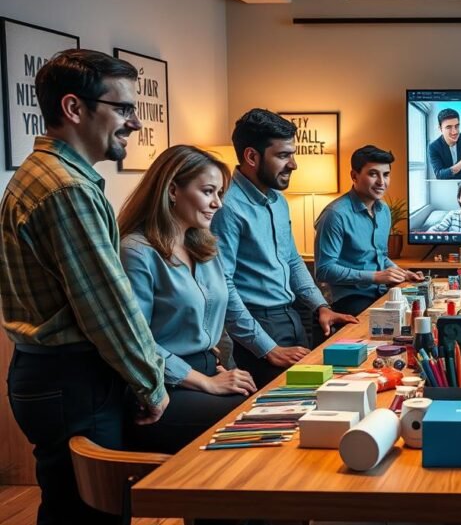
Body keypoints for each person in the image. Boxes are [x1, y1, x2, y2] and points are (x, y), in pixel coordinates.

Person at [1, 49, 168, 524]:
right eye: (123, 109)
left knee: (66, 509)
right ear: (75, 109)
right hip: (71, 378)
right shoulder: (66, 188)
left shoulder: (42, 174)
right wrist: (151, 383)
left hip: (47, 374)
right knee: (92, 514)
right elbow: (107, 306)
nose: (134, 123)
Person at [118, 145, 257, 454]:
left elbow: (226, 310)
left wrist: (217, 369)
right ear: (171, 190)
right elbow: (135, 342)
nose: (217, 203)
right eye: (208, 191)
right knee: (245, 420)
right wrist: (205, 382)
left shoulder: (204, 246)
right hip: (161, 386)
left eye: (219, 193)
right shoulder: (136, 251)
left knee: (263, 408)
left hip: (208, 368)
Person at [212, 109, 357, 388]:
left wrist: (321, 306)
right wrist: (267, 347)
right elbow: (223, 286)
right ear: (252, 157)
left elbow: (292, 261)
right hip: (256, 330)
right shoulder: (226, 207)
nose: (294, 164)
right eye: (283, 156)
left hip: (291, 318)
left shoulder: (278, 201)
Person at [315, 145, 423, 317]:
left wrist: (400, 273)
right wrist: (375, 277)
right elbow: (324, 270)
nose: (381, 182)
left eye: (386, 174)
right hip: (350, 299)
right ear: (354, 176)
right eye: (373, 174)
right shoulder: (335, 215)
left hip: (381, 293)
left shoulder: (384, 211)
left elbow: (379, 256)